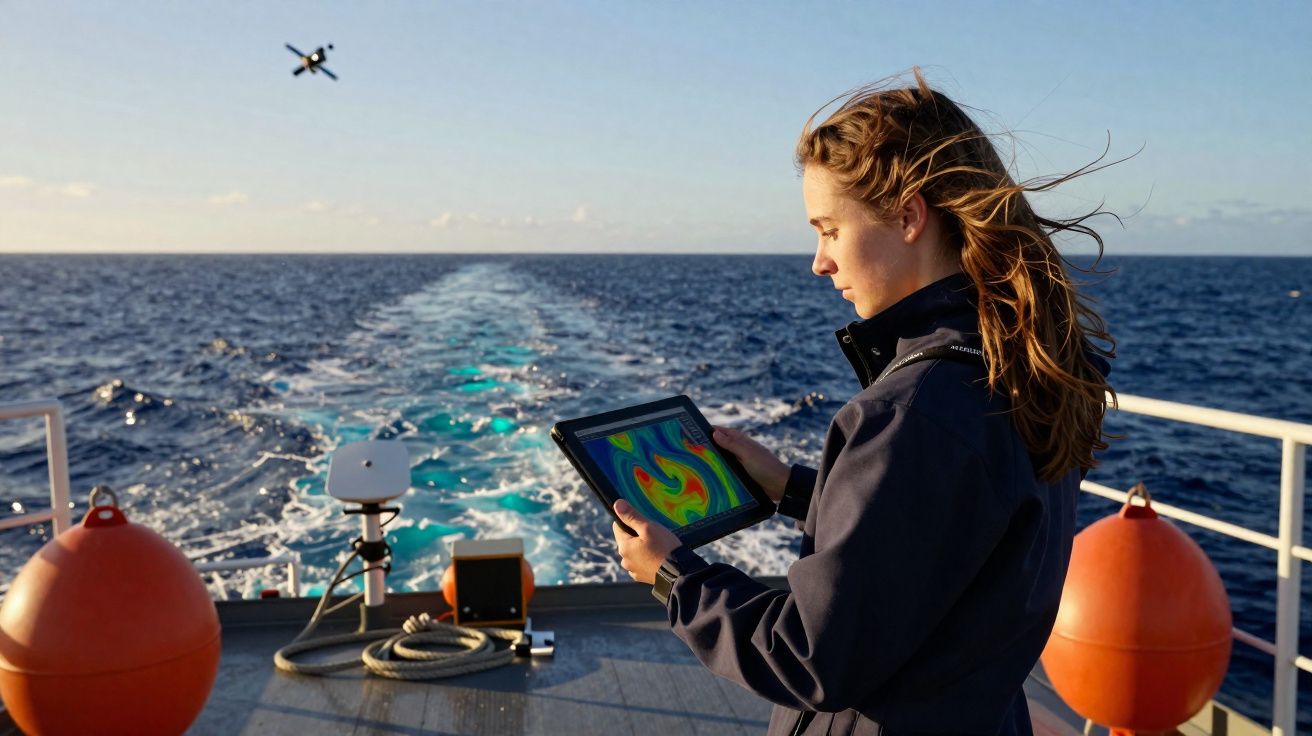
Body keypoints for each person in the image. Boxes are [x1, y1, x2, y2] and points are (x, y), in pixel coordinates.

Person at [611, 68, 1115, 736]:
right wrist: (793, 489)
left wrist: (674, 577)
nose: (818, 261)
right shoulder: (1021, 368)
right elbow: (940, 535)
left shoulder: (911, 414)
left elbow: (809, 655)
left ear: (909, 216)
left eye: (828, 229)